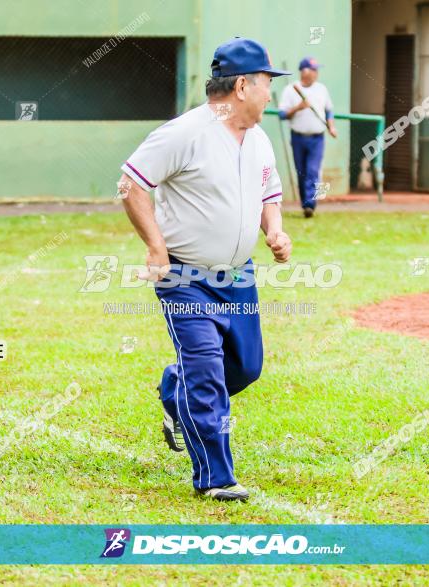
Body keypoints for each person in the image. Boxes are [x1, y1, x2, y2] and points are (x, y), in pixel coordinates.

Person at [117, 38, 293, 502]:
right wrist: (155, 247)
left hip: (238, 276)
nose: (270, 94)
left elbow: (269, 193)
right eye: (266, 83)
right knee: (208, 375)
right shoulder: (184, 133)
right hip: (185, 278)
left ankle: (175, 388)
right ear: (241, 86)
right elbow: (131, 184)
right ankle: (216, 478)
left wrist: (275, 229)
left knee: (246, 368)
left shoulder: (257, 139)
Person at [277, 57, 337, 218]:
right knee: (301, 172)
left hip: (317, 138)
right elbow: (282, 114)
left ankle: (310, 204)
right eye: (313, 69)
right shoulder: (291, 89)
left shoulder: (321, 89)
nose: (316, 73)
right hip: (297, 137)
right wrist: (299, 107)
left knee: (312, 171)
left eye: (316, 70)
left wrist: (331, 126)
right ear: (304, 72)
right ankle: (305, 204)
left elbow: (329, 110)